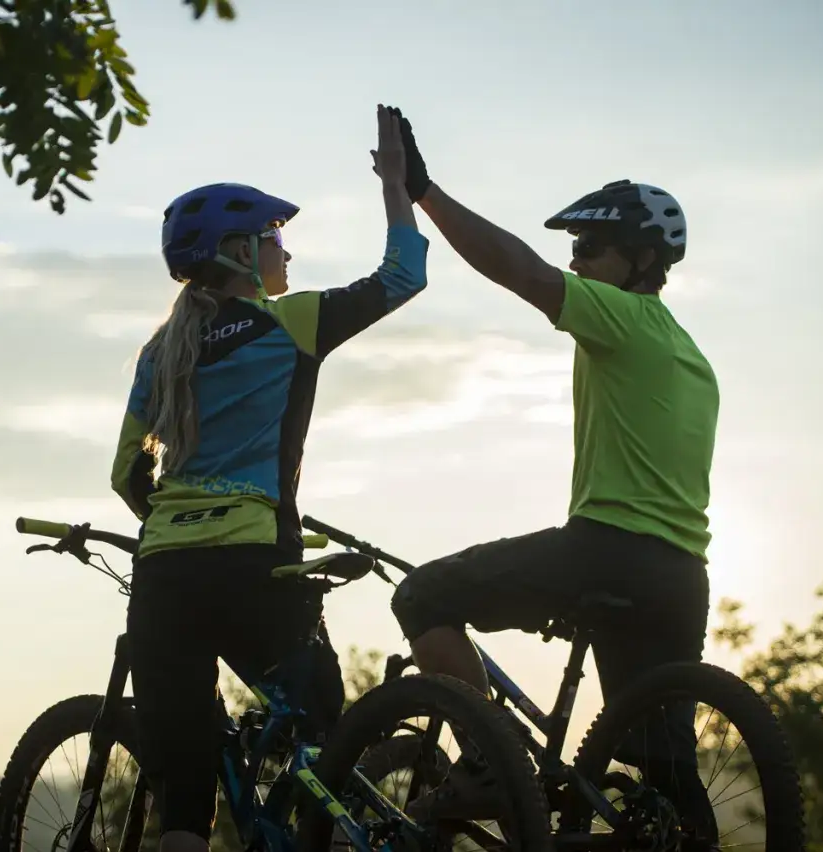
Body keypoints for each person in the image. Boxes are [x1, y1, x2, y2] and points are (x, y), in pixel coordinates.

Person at [381, 107, 720, 842]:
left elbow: (521, 271)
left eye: (590, 246)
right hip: (679, 578)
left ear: (641, 259)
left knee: (423, 594)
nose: (576, 260)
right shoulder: (690, 355)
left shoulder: (622, 319)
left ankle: (489, 763)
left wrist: (425, 193)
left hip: (608, 548)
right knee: (665, 786)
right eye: (574, 248)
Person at [110, 105, 429, 852]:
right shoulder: (290, 323)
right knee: (326, 744)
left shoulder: (159, 354)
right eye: (274, 237)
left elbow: (127, 474)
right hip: (257, 561)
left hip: (165, 574)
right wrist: (395, 185)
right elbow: (403, 275)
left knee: (183, 804)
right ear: (238, 253)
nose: (286, 249)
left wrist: (178, 524)